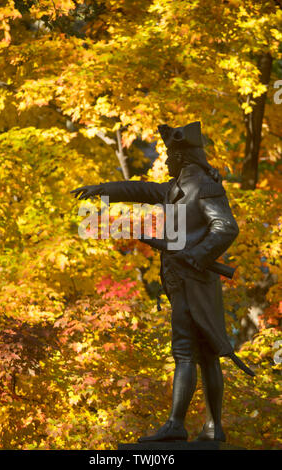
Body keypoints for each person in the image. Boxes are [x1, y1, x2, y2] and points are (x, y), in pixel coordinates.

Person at [71, 121, 254, 443]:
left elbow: (226, 228)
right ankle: (212, 428)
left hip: (192, 279)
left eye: (169, 156)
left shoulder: (203, 187)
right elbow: (140, 189)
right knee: (207, 351)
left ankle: (176, 424)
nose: (166, 160)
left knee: (187, 350)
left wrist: (196, 256)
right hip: (182, 280)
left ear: (182, 158)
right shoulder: (175, 189)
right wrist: (104, 189)